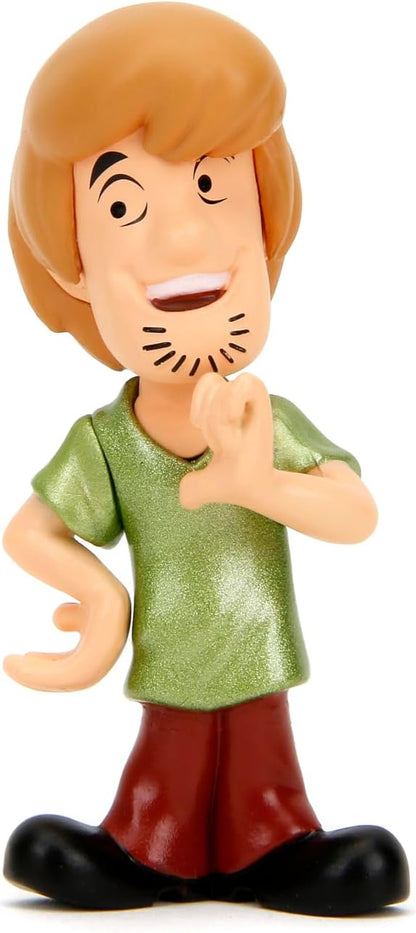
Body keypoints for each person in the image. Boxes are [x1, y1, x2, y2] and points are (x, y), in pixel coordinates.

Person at [2, 2, 409, 915]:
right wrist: (103, 602)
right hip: (172, 660)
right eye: (123, 204)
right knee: (174, 754)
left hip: (258, 655)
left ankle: (276, 841)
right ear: (72, 265)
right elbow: (29, 529)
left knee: (261, 751)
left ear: (267, 223)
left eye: (213, 187)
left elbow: (357, 511)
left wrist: (261, 482)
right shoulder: (110, 441)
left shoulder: (263, 418)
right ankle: (151, 843)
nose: (183, 238)